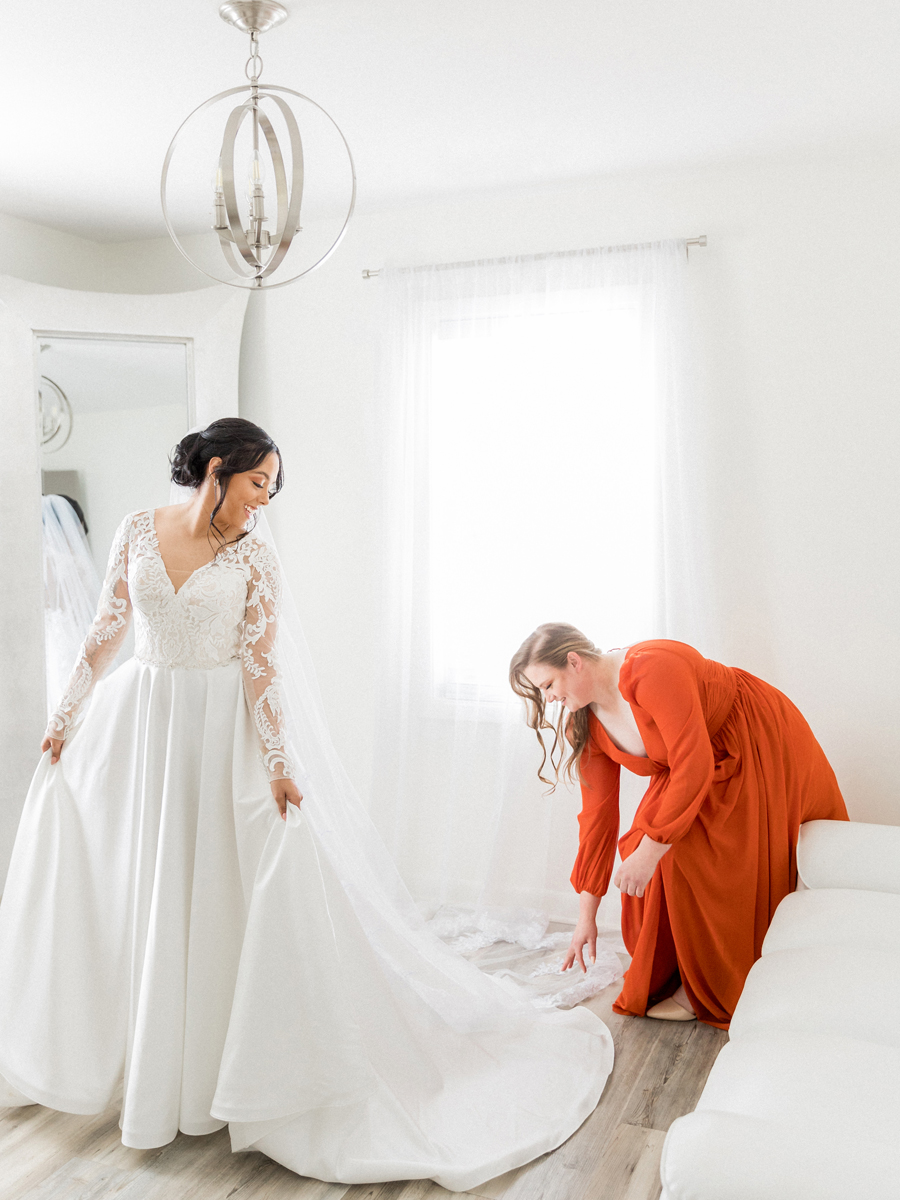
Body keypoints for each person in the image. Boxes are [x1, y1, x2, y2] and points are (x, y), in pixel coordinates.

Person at [0, 421, 613, 1192]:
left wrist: (281, 764)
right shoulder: (134, 530)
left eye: (271, 489)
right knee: (150, 891)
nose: (265, 500)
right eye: (259, 482)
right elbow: (105, 631)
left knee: (224, 896)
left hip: (224, 736)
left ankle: (230, 1081)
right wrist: (64, 718)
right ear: (217, 471)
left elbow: (261, 666)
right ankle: (158, 1073)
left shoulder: (254, 554)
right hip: (146, 725)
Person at [509, 624, 848, 1029]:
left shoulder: (650, 669)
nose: (550, 699)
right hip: (692, 763)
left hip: (746, 736)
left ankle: (711, 982)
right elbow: (597, 820)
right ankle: (683, 968)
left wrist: (653, 851)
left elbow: (694, 763)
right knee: (641, 849)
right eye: (542, 693)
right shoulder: (585, 724)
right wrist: (587, 916)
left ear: (574, 662)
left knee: (692, 855)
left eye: (549, 685)